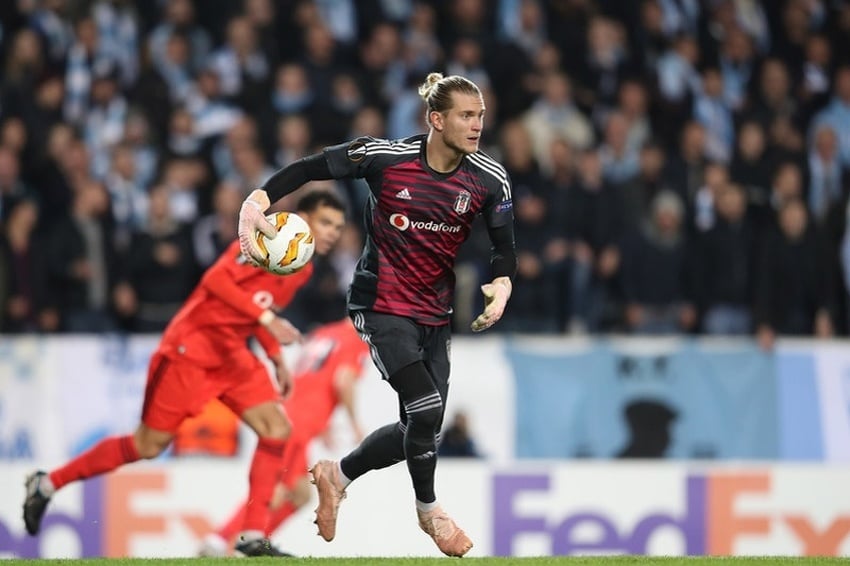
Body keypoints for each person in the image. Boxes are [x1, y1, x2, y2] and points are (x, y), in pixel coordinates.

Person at [237, 72, 517, 557]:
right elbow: (311, 167)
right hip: (380, 303)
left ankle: (336, 475)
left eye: (481, 116)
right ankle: (429, 511)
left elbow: (503, 248)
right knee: (426, 407)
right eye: (467, 116)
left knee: (419, 428)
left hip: (435, 312)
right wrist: (258, 198)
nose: (477, 126)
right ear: (436, 119)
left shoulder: (489, 179)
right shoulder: (385, 158)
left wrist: (503, 282)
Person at [23, 190, 347, 557]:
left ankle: (252, 536)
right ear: (300, 218)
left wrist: (275, 357)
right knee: (147, 445)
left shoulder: (299, 267)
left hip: (232, 354)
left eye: (337, 226)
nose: (333, 233)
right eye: (325, 223)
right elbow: (215, 282)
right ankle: (48, 484)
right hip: (190, 350)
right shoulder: (264, 240)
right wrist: (269, 321)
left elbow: (258, 307)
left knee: (277, 429)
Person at [198, 317, 369, 557]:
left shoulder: (324, 332)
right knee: (275, 491)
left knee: (300, 493)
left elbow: (310, 379)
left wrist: (322, 424)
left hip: (292, 415)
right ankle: (219, 541)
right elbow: (343, 380)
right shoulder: (357, 340)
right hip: (298, 426)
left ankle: (255, 545)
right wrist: (355, 423)